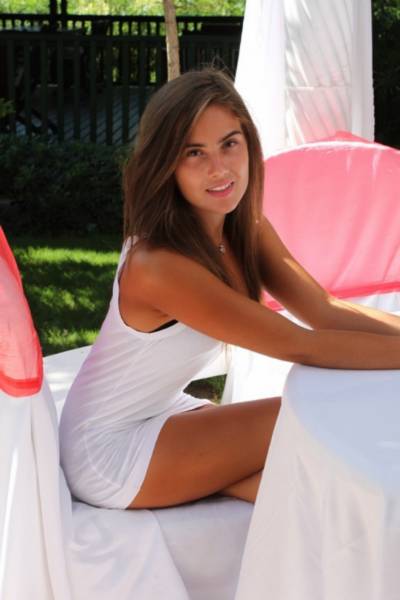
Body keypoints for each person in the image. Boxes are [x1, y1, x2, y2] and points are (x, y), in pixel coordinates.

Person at [59, 68, 400, 511]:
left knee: (323, 480)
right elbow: (302, 345)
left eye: (229, 144)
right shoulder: (159, 266)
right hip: (107, 449)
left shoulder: (244, 227)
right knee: (321, 420)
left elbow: (325, 310)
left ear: (249, 143)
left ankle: (221, 485)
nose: (219, 168)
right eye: (194, 153)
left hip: (164, 411)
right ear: (166, 164)